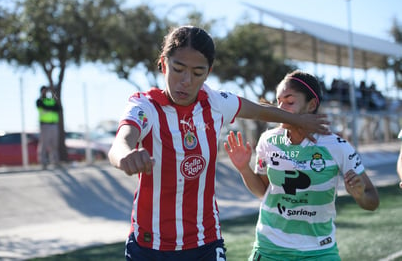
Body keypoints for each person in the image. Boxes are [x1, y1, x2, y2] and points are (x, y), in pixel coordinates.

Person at [108, 26, 330, 261]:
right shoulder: (145, 107)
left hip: (205, 241)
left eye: (197, 73)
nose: (186, 81)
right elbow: (121, 141)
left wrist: (298, 120)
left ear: (208, 72)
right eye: (178, 69)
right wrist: (125, 156)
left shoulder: (215, 102)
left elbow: (258, 111)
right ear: (163, 64)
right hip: (149, 246)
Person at [224, 70, 380, 261]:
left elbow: (373, 201)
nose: (280, 108)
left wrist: (360, 194)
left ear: (311, 105)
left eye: (289, 102)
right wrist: (243, 168)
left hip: (320, 251)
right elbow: (262, 192)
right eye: (278, 101)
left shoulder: (338, 147)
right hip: (269, 250)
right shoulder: (268, 140)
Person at [36, 85, 61, 169]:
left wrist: (49, 108)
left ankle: (55, 161)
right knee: (44, 143)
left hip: (53, 124)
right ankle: (43, 162)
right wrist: (51, 109)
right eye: (44, 91)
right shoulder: (39, 101)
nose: (45, 92)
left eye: (46, 91)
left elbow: (58, 108)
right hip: (45, 125)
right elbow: (43, 108)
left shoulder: (51, 100)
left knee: (54, 144)